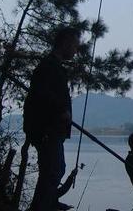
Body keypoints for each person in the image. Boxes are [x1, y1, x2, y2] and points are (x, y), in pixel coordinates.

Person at [23, 27, 81, 211]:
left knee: (57, 169)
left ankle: (49, 203)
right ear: (65, 42)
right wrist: (61, 110)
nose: (75, 50)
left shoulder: (53, 66)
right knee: (52, 171)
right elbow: (41, 95)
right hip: (46, 129)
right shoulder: (49, 66)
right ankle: (42, 206)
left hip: (52, 130)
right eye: (74, 45)